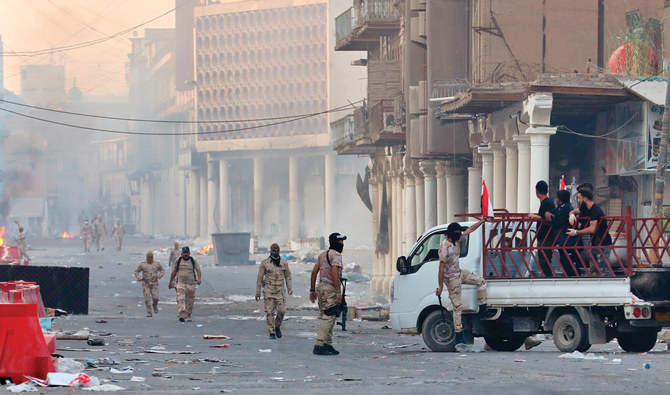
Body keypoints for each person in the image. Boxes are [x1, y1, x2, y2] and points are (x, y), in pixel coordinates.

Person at [436, 219, 495, 347]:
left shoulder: (457, 239)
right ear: (451, 233)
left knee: (481, 281)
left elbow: (470, 230)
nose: (459, 234)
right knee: (457, 307)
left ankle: (483, 309)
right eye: (457, 232)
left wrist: (482, 221)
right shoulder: (444, 247)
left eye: (459, 232)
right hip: (451, 278)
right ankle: (458, 336)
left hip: (459, 272)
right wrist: (440, 286)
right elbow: (441, 268)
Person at [309, 233, 347, 356]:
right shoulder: (336, 255)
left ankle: (327, 344)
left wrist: (312, 290)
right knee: (329, 315)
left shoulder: (322, 255)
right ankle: (319, 345)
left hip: (321, 287)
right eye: (341, 241)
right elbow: (335, 273)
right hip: (330, 288)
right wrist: (338, 292)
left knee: (331, 315)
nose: (342, 243)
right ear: (336, 242)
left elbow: (314, 272)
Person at [566, 188, 612, 276]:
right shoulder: (586, 209)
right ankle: (594, 280)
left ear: (585, 198)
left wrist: (576, 232)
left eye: (579, 198)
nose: (578, 201)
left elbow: (592, 229)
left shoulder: (595, 211)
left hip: (602, 243)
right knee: (593, 264)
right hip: (595, 242)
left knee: (602, 268)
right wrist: (571, 214)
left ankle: (605, 284)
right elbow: (575, 211)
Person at [256, 243, 293, 339]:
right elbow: (259, 279)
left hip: (280, 290)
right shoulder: (265, 263)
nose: (276, 253)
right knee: (269, 312)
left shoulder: (284, 262)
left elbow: (288, 276)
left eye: (277, 251)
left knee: (281, 311)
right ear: (271, 251)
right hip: (269, 290)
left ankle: (277, 326)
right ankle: (271, 332)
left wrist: (289, 287)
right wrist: (258, 292)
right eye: (274, 251)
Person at [546, 190, 579, 277]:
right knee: (564, 261)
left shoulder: (567, 208)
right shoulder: (562, 207)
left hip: (568, 240)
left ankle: (572, 277)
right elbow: (554, 212)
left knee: (568, 262)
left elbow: (559, 220)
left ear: (559, 199)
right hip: (563, 240)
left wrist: (551, 219)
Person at [527, 181, 555, 277]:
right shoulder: (547, 202)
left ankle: (548, 277)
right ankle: (547, 276)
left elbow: (549, 219)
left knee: (544, 259)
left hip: (546, 236)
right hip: (544, 236)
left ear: (536, 191)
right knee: (543, 258)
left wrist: (535, 217)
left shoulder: (546, 203)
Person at [168, 246, 202, 322]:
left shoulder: (193, 260)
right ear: (182, 253)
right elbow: (174, 272)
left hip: (191, 284)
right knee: (181, 298)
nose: (185, 254)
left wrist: (199, 279)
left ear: (189, 253)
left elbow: (198, 270)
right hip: (181, 283)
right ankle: (182, 313)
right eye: (184, 253)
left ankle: (189, 315)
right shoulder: (178, 260)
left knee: (190, 301)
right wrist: (171, 282)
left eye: (187, 253)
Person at [134, 251, 165, 317]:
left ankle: (155, 305)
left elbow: (162, 270)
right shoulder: (142, 264)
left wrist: (160, 275)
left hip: (154, 283)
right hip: (146, 283)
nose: (150, 259)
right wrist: (139, 277)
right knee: (147, 298)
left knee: (156, 297)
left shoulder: (157, 264)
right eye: (149, 257)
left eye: (151, 257)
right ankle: (149, 312)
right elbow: (136, 271)